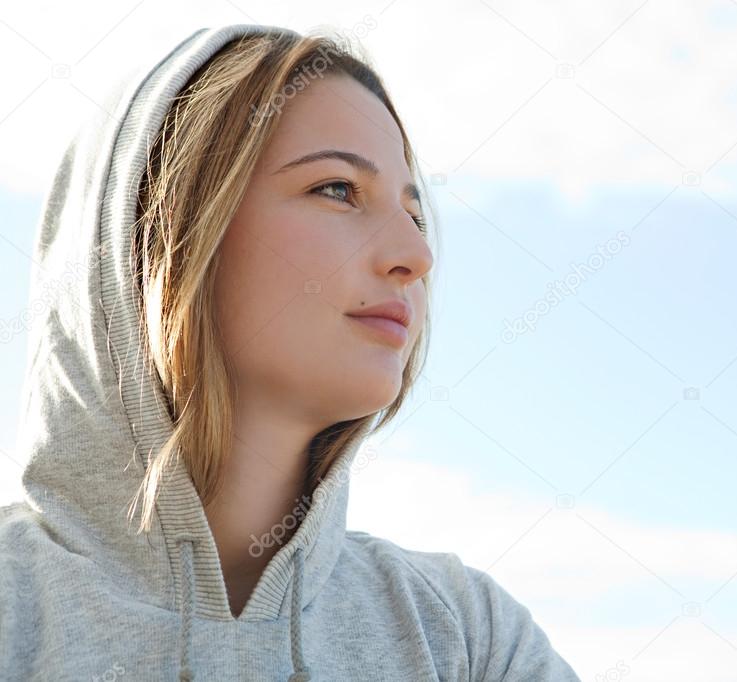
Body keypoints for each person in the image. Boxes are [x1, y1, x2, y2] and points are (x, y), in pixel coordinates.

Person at [0, 23, 580, 681]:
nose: (415, 257)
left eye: (414, 215)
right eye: (336, 189)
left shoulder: (466, 638)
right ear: (163, 233)